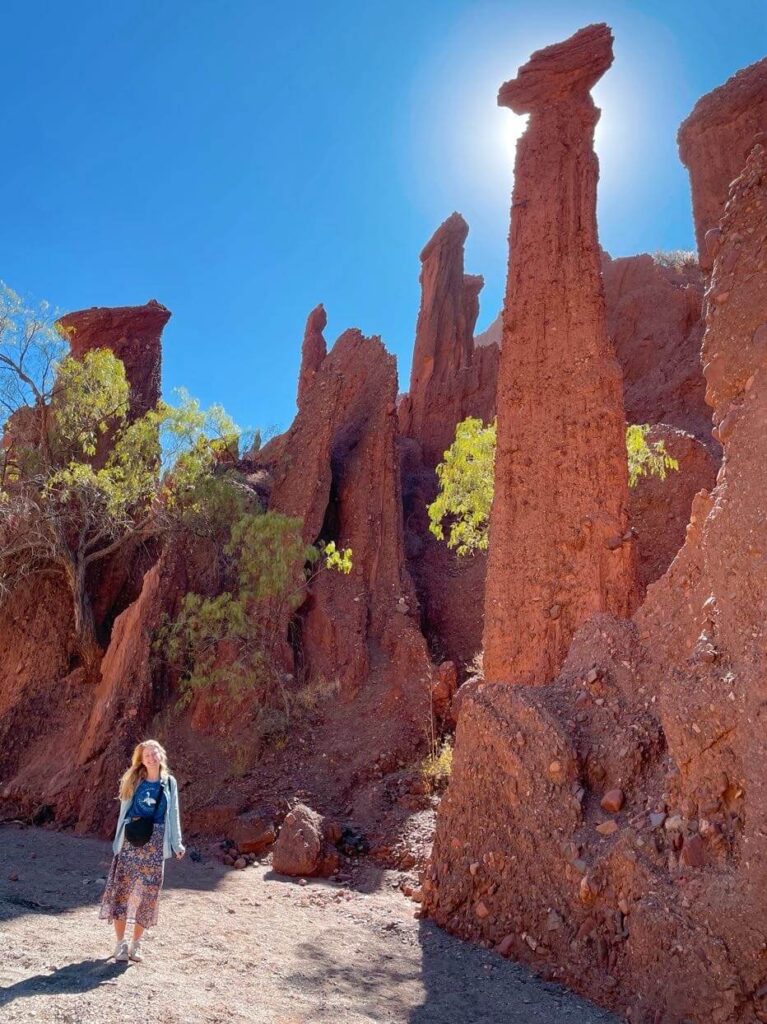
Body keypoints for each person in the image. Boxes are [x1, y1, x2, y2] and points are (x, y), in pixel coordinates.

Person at [99, 739, 185, 962]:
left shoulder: (169, 782)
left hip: (156, 843)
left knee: (148, 895)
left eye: (154, 753)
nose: (151, 757)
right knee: (122, 891)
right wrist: (118, 842)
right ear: (141, 759)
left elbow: (173, 813)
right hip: (131, 840)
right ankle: (120, 944)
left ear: (161, 755)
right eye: (147, 755)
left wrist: (177, 843)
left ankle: (135, 945)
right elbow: (123, 812)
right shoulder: (134, 779)